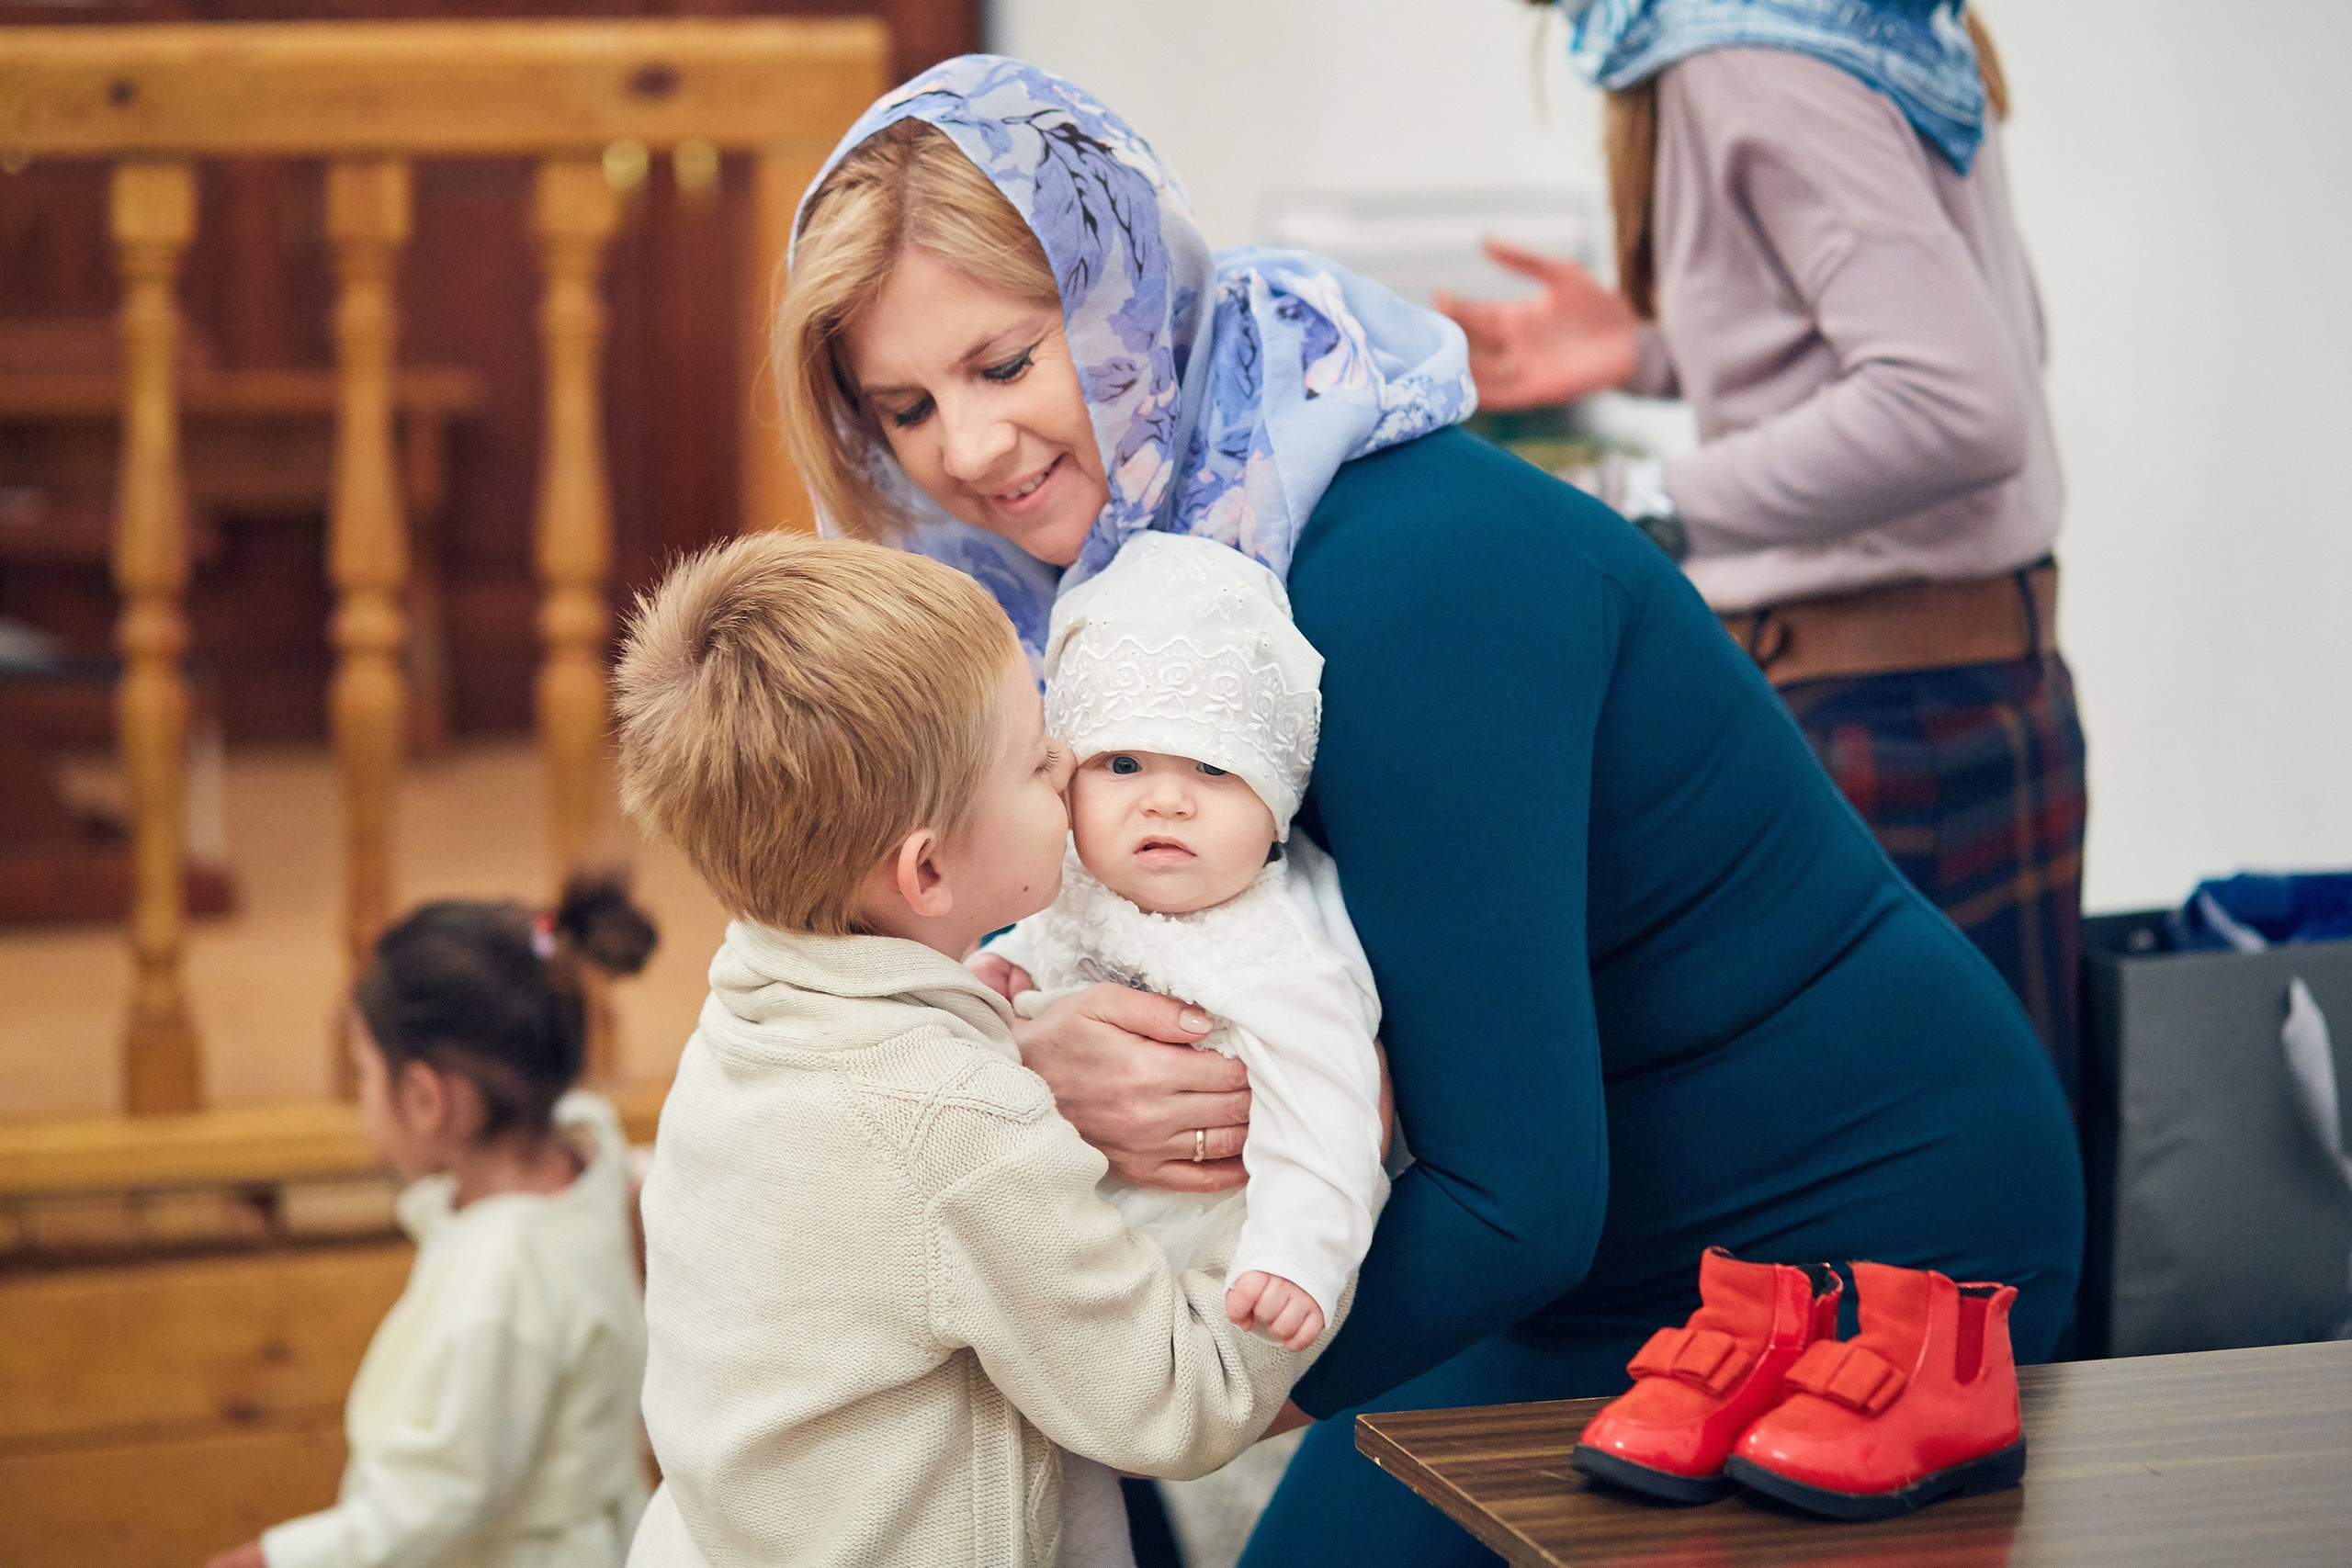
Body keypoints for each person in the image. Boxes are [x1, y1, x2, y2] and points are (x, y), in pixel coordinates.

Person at [776, 55, 2083, 1567]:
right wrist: (1033, 1046)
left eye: (1006, 363)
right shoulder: (1122, 598)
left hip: (1856, 1242)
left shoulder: (1408, 573)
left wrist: (1167, 1399)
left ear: (1123, 297)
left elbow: (1515, 1192)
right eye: (908, 407)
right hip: (1587, 1241)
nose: (968, 449)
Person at [612, 532, 1340, 1568]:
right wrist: (1317, 1178)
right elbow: (1181, 1399)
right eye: (1038, 761)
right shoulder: (953, 1120)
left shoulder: (746, 1006)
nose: (1071, 766)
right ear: (927, 875)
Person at [1439, 0, 2086, 1100]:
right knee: (1985, 1169)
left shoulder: (1739, 48)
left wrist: (1632, 501)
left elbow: (1957, 405)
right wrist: (1655, 350)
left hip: (1882, 722)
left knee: (1876, 1182)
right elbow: (1989, 332)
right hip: (1966, 690)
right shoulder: (1847, 19)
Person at [975, 530, 1389, 1357]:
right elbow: (1039, 941)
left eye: (1212, 766)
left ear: (1276, 805)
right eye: (1124, 763)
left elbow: (1330, 1113)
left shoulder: (1275, 952)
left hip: (1197, 1246)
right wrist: (995, 975)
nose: (1165, 801)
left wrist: (1296, 1256)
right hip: (1066, 1219)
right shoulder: (1073, 878)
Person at [206, 878, 659, 1568]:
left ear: (424, 1098)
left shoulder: (499, 1280)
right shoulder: (590, 1156)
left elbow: (439, 1497)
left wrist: (280, 1557)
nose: (363, 1102)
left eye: (365, 1075)